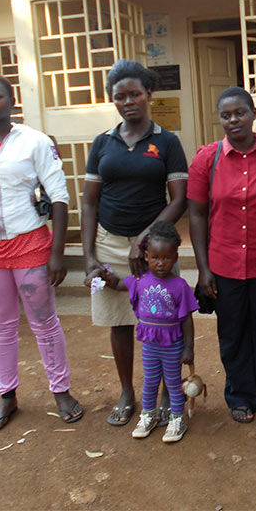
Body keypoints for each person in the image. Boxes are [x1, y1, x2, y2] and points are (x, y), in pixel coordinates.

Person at [0, 73, 83, 432]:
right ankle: (7, 395)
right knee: (1, 326)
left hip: (30, 245)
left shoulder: (35, 142)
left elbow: (59, 196)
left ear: (11, 102)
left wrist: (57, 253)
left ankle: (61, 390)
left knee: (44, 323)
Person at [82, 59, 188, 427]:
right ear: (112, 100)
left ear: (149, 95)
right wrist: (89, 255)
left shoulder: (166, 142)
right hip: (109, 242)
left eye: (135, 94)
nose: (128, 101)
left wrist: (143, 240)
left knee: (163, 323)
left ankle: (164, 394)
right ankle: (127, 392)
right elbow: (89, 201)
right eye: (120, 96)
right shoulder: (102, 143)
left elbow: (178, 200)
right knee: (119, 322)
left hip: (156, 248)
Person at [187, 87, 256, 424]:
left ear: (253, 114)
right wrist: (203, 269)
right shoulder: (207, 159)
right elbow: (197, 215)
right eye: (226, 115)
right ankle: (240, 394)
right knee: (232, 334)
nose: (234, 120)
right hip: (223, 264)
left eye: (240, 113)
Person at [86, 222, 195, 442]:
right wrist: (102, 276)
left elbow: (187, 319)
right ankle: (148, 415)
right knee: (150, 382)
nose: (161, 263)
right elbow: (117, 284)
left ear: (175, 257)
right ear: (145, 256)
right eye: (155, 258)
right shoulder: (140, 280)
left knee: (173, 384)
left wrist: (189, 348)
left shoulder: (180, 286)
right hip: (150, 345)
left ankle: (177, 419)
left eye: (166, 258)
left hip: (172, 345)